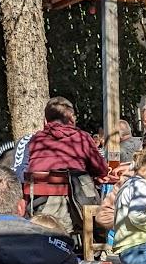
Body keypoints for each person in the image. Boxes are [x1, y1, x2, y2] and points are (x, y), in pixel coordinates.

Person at [14, 96, 108, 226]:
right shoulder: (82, 138)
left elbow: (21, 173)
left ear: (45, 120)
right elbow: (102, 169)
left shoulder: (34, 140)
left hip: (38, 207)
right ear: (71, 118)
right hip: (77, 207)